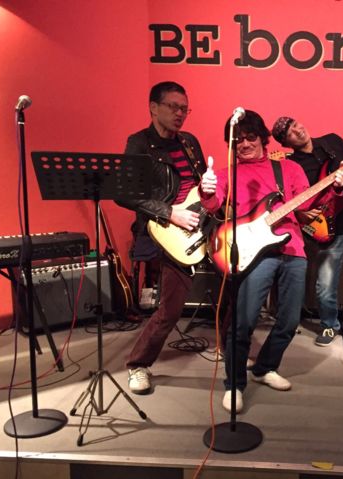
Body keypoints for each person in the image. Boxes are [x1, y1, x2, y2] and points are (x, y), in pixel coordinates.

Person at [199, 110, 343, 413]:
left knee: (290, 321)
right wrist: (207, 190)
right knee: (244, 322)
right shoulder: (228, 174)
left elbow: (309, 204)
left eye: (250, 137)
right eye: (238, 140)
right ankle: (234, 384)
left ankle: (265, 367)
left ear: (263, 138)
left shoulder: (289, 169)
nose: (244, 144)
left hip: (292, 249)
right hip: (252, 252)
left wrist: (336, 187)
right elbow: (214, 207)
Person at [116, 81, 206, 394]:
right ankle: (138, 364)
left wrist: (210, 186)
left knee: (236, 279)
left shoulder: (190, 142)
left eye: (185, 109)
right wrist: (169, 213)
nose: (180, 114)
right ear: (154, 108)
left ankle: (232, 348)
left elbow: (199, 186)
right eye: (173, 107)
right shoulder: (139, 143)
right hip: (167, 229)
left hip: (200, 223)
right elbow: (124, 194)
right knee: (171, 307)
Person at [271, 117, 343, 347]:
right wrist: (302, 212)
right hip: (329, 227)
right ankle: (330, 325)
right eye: (290, 133)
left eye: (296, 124)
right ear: (286, 143)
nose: (298, 130)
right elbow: (296, 198)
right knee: (325, 285)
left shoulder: (332, 141)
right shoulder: (292, 165)